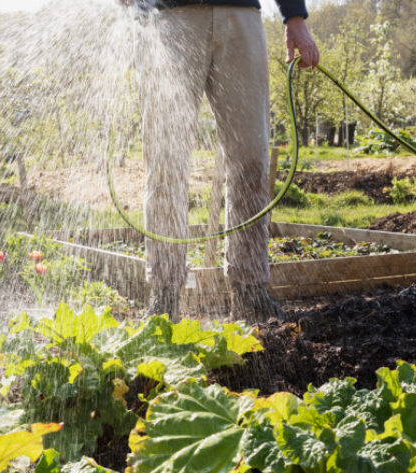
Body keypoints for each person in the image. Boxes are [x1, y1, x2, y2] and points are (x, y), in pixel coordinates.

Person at [130, 0, 319, 321]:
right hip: (169, 18)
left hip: (239, 14)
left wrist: (294, 15)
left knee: (251, 161)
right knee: (165, 166)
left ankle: (250, 291)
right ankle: (164, 297)